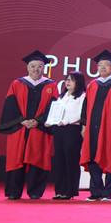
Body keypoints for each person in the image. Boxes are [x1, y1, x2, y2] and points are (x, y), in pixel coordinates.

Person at [0, 51, 58, 200]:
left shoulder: (51, 85)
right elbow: (10, 105)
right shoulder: (17, 84)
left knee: (38, 157)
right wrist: (21, 120)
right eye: (33, 66)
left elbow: (53, 107)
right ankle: (13, 191)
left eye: (39, 66)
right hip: (20, 128)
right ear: (27, 67)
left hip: (40, 128)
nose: (36, 69)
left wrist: (38, 120)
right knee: (16, 158)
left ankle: (35, 191)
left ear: (44, 68)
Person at [80, 50, 111, 201]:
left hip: (110, 129)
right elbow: (85, 106)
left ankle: (108, 192)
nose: (102, 68)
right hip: (92, 128)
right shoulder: (92, 85)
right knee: (92, 157)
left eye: (106, 65)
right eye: (100, 65)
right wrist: (84, 125)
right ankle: (96, 192)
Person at [44, 71, 86, 200]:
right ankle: (59, 190)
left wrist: (66, 121)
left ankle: (70, 190)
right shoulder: (62, 96)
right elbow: (56, 112)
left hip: (72, 130)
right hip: (59, 130)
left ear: (78, 82)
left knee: (70, 160)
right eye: (67, 79)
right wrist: (50, 121)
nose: (68, 82)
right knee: (59, 159)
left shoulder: (82, 96)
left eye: (71, 80)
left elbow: (81, 115)